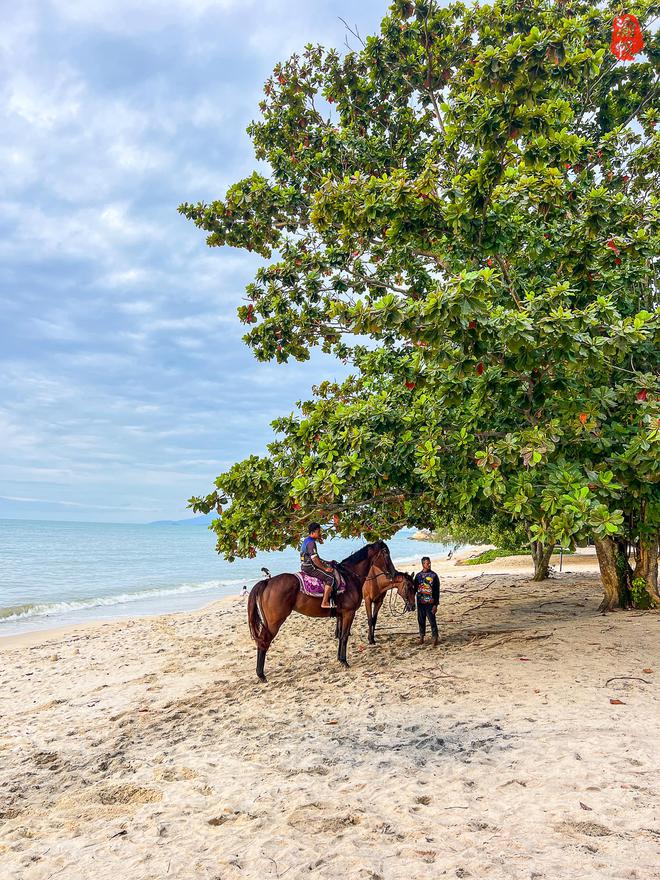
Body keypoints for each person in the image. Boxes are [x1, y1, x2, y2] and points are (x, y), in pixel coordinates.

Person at [300, 522, 337, 609]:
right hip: (310, 567)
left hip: (305, 565)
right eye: (318, 532)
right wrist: (325, 568)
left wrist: (327, 562)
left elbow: (315, 557)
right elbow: (315, 559)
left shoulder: (307, 540)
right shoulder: (311, 543)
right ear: (312, 533)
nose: (320, 534)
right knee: (330, 577)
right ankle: (324, 602)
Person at [414, 556, 440, 646]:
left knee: (432, 621)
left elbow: (437, 591)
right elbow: (413, 589)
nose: (429, 565)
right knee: (421, 620)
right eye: (427, 563)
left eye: (429, 563)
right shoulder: (418, 576)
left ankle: (435, 637)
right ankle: (421, 637)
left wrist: (436, 605)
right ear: (423, 564)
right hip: (420, 603)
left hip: (430, 603)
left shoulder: (434, 576)